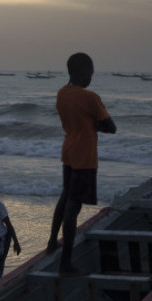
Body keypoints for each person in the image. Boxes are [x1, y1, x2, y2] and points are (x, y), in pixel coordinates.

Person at [47, 52, 116, 275]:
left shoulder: (62, 94)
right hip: (85, 155)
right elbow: (111, 127)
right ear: (82, 72)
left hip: (68, 150)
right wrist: (95, 125)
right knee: (73, 207)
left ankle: (51, 242)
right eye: (91, 71)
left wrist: (90, 123)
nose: (92, 76)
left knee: (65, 195)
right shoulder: (90, 98)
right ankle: (66, 262)